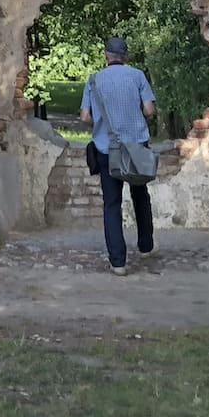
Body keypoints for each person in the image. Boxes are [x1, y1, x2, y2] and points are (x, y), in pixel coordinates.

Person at [80, 35, 157, 275]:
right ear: (126, 56)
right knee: (140, 195)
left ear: (106, 55)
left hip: (107, 149)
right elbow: (150, 110)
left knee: (111, 204)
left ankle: (118, 262)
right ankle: (145, 246)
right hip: (136, 147)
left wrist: (101, 125)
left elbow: (84, 117)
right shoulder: (137, 76)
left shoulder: (94, 81)